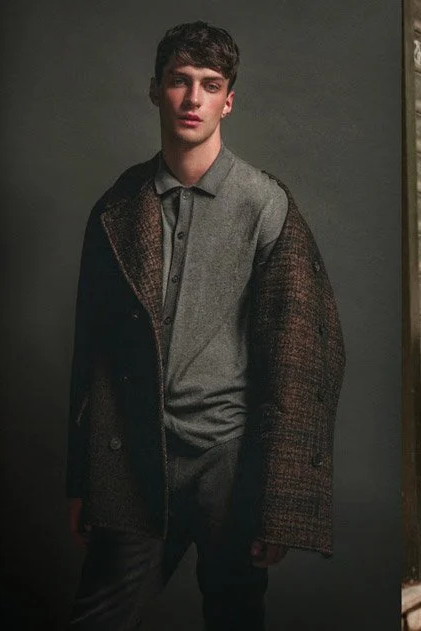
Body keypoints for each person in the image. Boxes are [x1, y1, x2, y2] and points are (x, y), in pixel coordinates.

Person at [65, 21, 345, 629]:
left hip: (230, 462)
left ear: (228, 100)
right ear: (155, 90)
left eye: (209, 85)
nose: (193, 99)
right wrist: (82, 477)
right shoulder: (119, 205)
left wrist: (278, 502)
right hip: (136, 458)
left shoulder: (264, 203)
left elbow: (305, 350)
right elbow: (92, 354)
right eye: (179, 82)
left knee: (235, 619)